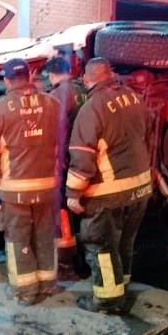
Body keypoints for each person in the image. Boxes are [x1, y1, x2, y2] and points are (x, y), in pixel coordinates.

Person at [65, 58, 152, 315]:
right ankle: (121, 286)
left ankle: (107, 300)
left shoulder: (92, 108)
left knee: (101, 246)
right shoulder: (133, 97)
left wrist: (73, 194)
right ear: (110, 75)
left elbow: (82, 157)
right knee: (124, 242)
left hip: (107, 193)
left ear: (87, 79)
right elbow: (146, 135)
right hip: (139, 187)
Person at [0, 58, 61, 306]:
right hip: (48, 187)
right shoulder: (53, 104)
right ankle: (48, 284)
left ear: (7, 81)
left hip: (15, 191)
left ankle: (26, 292)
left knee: (18, 239)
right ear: (30, 77)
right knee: (45, 235)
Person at [45, 55, 86, 264]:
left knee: (63, 202)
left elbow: (54, 129)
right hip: (86, 156)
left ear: (51, 75)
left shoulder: (58, 95)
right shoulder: (82, 90)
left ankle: (66, 253)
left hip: (68, 157)